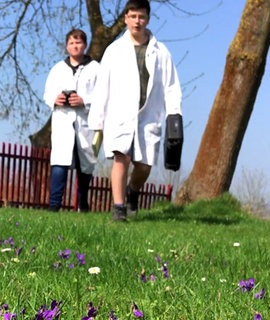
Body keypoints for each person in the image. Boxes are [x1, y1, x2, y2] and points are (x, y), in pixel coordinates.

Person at [88, 0, 182, 220]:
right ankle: (119, 208)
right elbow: (103, 86)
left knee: (144, 165)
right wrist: (97, 122)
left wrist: (174, 114)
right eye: (133, 16)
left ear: (147, 19)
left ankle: (133, 190)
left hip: (149, 115)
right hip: (119, 114)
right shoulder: (114, 51)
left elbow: (171, 85)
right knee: (120, 158)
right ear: (126, 19)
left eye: (141, 17)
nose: (137, 21)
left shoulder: (161, 52)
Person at [43, 29, 101, 212]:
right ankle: (54, 205)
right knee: (60, 163)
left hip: (85, 123)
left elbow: (103, 96)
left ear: (85, 45)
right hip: (63, 121)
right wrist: (55, 99)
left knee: (86, 165)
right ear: (67, 46)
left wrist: (85, 101)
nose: (75, 46)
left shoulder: (96, 69)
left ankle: (83, 203)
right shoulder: (57, 69)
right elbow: (47, 93)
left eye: (78, 43)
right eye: (71, 43)